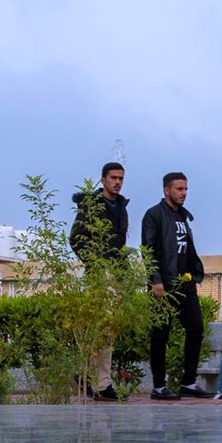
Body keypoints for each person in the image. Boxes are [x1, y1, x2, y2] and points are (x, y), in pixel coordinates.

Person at [141, 171, 208, 400]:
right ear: (166, 190)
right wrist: (156, 280)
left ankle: (188, 382)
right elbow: (148, 250)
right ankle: (159, 386)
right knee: (161, 333)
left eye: (186, 189)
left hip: (184, 282)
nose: (184, 193)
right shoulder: (153, 215)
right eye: (179, 189)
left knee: (196, 328)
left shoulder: (182, 216)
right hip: (164, 283)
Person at [71, 161, 131, 401]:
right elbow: (76, 238)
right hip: (99, 274)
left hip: (116, 274)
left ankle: (89, 378)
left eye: (121, 178)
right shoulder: (91, 204)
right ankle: (99, 382)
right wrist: (96, 264)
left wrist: (125, 273)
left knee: (108, 330)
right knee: (102, 329)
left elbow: (120, 245)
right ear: (103, 179)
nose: (117, 182)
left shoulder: (121, 207)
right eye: (113, 178)